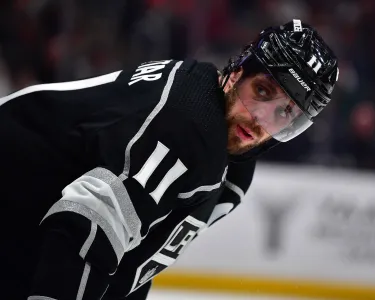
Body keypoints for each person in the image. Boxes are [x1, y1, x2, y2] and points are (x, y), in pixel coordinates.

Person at [0, 19, 338, 300]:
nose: (260, 120)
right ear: (238, 72)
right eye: (262, 91)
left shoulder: (232, 165)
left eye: (284, 113)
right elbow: (87, 224)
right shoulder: (191, 126)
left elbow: (131, 259)